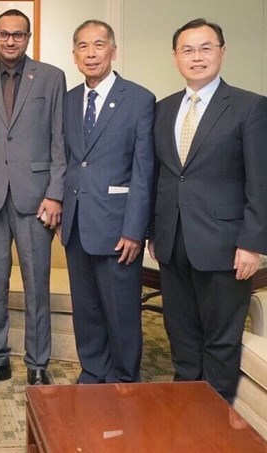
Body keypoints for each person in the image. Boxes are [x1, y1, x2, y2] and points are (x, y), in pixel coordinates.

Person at [149, 18, 267, 403]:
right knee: (181, 330)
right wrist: (154, 233)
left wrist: (252, 244)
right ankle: (188, 401)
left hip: (226, 245)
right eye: (188, 50)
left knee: (221, 337)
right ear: (175, 57)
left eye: (206, 48)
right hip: (173, 243)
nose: (197, 57)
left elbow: (262, 181)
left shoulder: (251, 107)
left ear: (222, 52)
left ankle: (216, 410)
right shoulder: (163, 108)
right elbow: (162, 176)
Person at [0, 9, 65, 392]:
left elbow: (59, 139)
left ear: (28, 37)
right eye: (4, 34)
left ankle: (38, 364)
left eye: (18, 35)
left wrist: (55, 192)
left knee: (37, 286)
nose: (10, 41)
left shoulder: (52, 77)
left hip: (36, 198)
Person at [60, 20, 155, 384]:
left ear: (113, 50)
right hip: (76, 224)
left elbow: (144, 171)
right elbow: (71, 160)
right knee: (86, 309)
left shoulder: (139, 99)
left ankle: (125, 377)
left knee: (121, 310)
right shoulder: (69, 100)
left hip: (118, 227)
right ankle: (94, 370)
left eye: (99, 45)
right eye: (83, 46)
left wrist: (135, 230)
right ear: (74, 55)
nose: (91, 53)